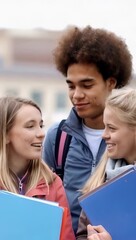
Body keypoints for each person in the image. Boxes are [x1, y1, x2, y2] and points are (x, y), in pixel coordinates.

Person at [42, 25, 132, 233]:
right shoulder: (57, 138)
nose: (76, 95)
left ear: (111, 83)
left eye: (87, 85)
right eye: (71, 86)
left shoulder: (126, 140)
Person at [0, 96, 75, 240]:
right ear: (5, 134)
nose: (41, 133)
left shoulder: (52, 183)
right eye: (30, 126)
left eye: (41, 125)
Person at [76, 87, 136, 240]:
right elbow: (82, 235)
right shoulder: (100, 181)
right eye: (105, 127)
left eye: (112, 128)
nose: (104, 135)